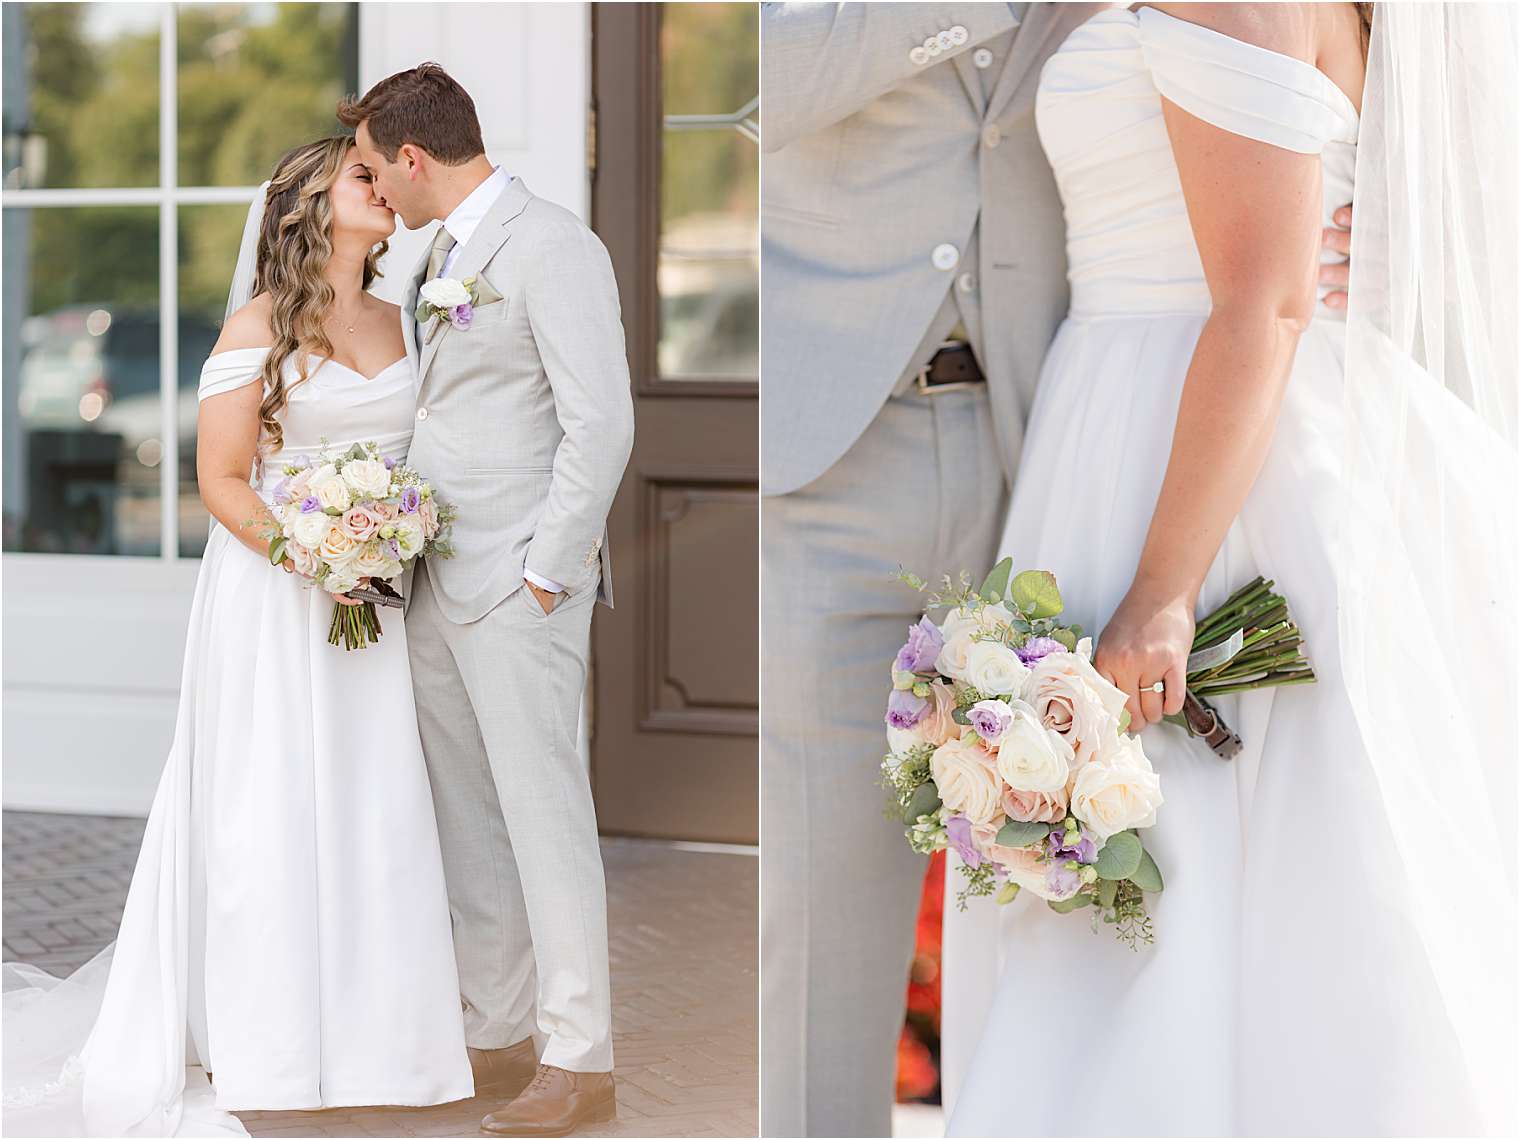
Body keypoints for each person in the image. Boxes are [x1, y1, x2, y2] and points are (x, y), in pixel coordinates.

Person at [758, 4, 1354, 1134]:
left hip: (1057, 444)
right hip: (840, 451)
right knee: (818, 906)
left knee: (1191, 872)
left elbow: (1311, 162)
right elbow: (773, 76)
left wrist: (1371, 222)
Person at [942, 3, 1516, 1135]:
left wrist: (1163, 590)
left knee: (1212, 859)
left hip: (1204, 454)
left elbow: (1263, 301)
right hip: (1124, 416)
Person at [2, 137, 473, 1136]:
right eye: (363, 177)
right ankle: (267, 1040)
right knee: (271, 808)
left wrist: (385, 542)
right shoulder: (258, 326)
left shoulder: (406, 320)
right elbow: (220, 480)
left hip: (379, 599)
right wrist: (317, 557)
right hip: (276, 599)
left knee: (375, 807)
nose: (385, 188)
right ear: (313, 202)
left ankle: (378, 1041)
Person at [343, 62, 634, 1138]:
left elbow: (599, 421)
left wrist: (547, 569)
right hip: (432, 578)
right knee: (468, 820)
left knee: (543, 818)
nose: (376, 185)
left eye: (377, 167)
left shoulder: (552, 246)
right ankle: (500, 1030)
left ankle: (580, 1055)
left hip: (517, 584)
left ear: (413, 159)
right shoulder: (435, 255)